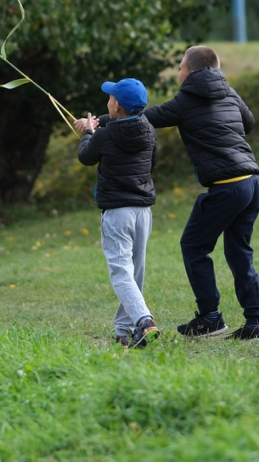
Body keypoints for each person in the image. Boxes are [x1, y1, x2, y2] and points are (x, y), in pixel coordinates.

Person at [75, 46, 259, 340]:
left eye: (180, 68)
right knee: (239, 250)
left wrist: (97, 125)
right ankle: (256, 322)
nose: (179, 73)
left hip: (227, 186)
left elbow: (145, 116)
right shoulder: (229, 92)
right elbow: (249, 122)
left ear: (189, 72)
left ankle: (210, 319)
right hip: (252, 182)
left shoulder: (186, 101)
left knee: (193, 246)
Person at [77, 77, 160, 349]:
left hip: (117, 213)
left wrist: (89, 132)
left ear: (118, 107)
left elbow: (86, 156)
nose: (108, 100)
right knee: (134, 272)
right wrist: (95, 122)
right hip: (143, 212)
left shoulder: (105, 135)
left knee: (121, 272)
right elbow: (152, 160)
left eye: (111, 98)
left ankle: (145, 321)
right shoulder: (148, 129)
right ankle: (124, 333)